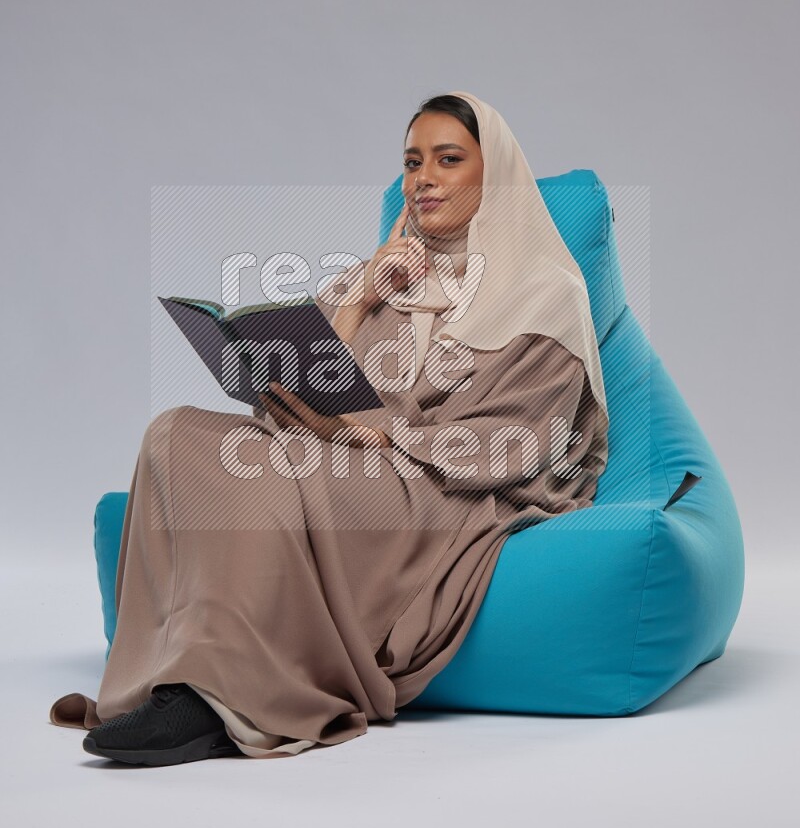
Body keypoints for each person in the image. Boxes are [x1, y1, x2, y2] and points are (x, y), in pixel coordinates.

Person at [49, 90, 610, 765]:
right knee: (174, 434)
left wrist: (380, 438)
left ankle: (216, 698)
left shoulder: (547, 291)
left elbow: (523, 438)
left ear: (494, 176)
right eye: (411, 161)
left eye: (448, 159)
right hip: (345, 455)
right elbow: (292, 403)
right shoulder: (387, 271)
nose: (423, 178)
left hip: (442, 483)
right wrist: (362, 298)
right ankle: (162, 673)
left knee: (269, 474)